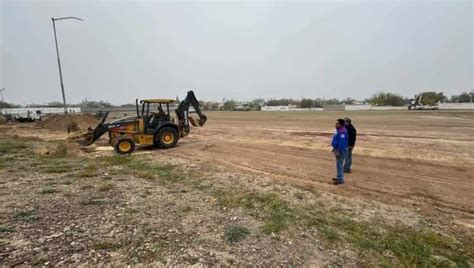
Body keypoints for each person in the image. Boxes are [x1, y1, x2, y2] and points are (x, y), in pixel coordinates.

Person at [331, 119, 348, 185]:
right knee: (338, 165)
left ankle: (340, 179)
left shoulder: (342, 132)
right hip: (338, 149)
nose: (335, 125)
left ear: (340, 124)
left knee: (340, 164)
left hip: (340, 150)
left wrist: (338, 150)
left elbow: (342, 143)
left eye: (337, 123)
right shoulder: (339, 131)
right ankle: (339, 177)